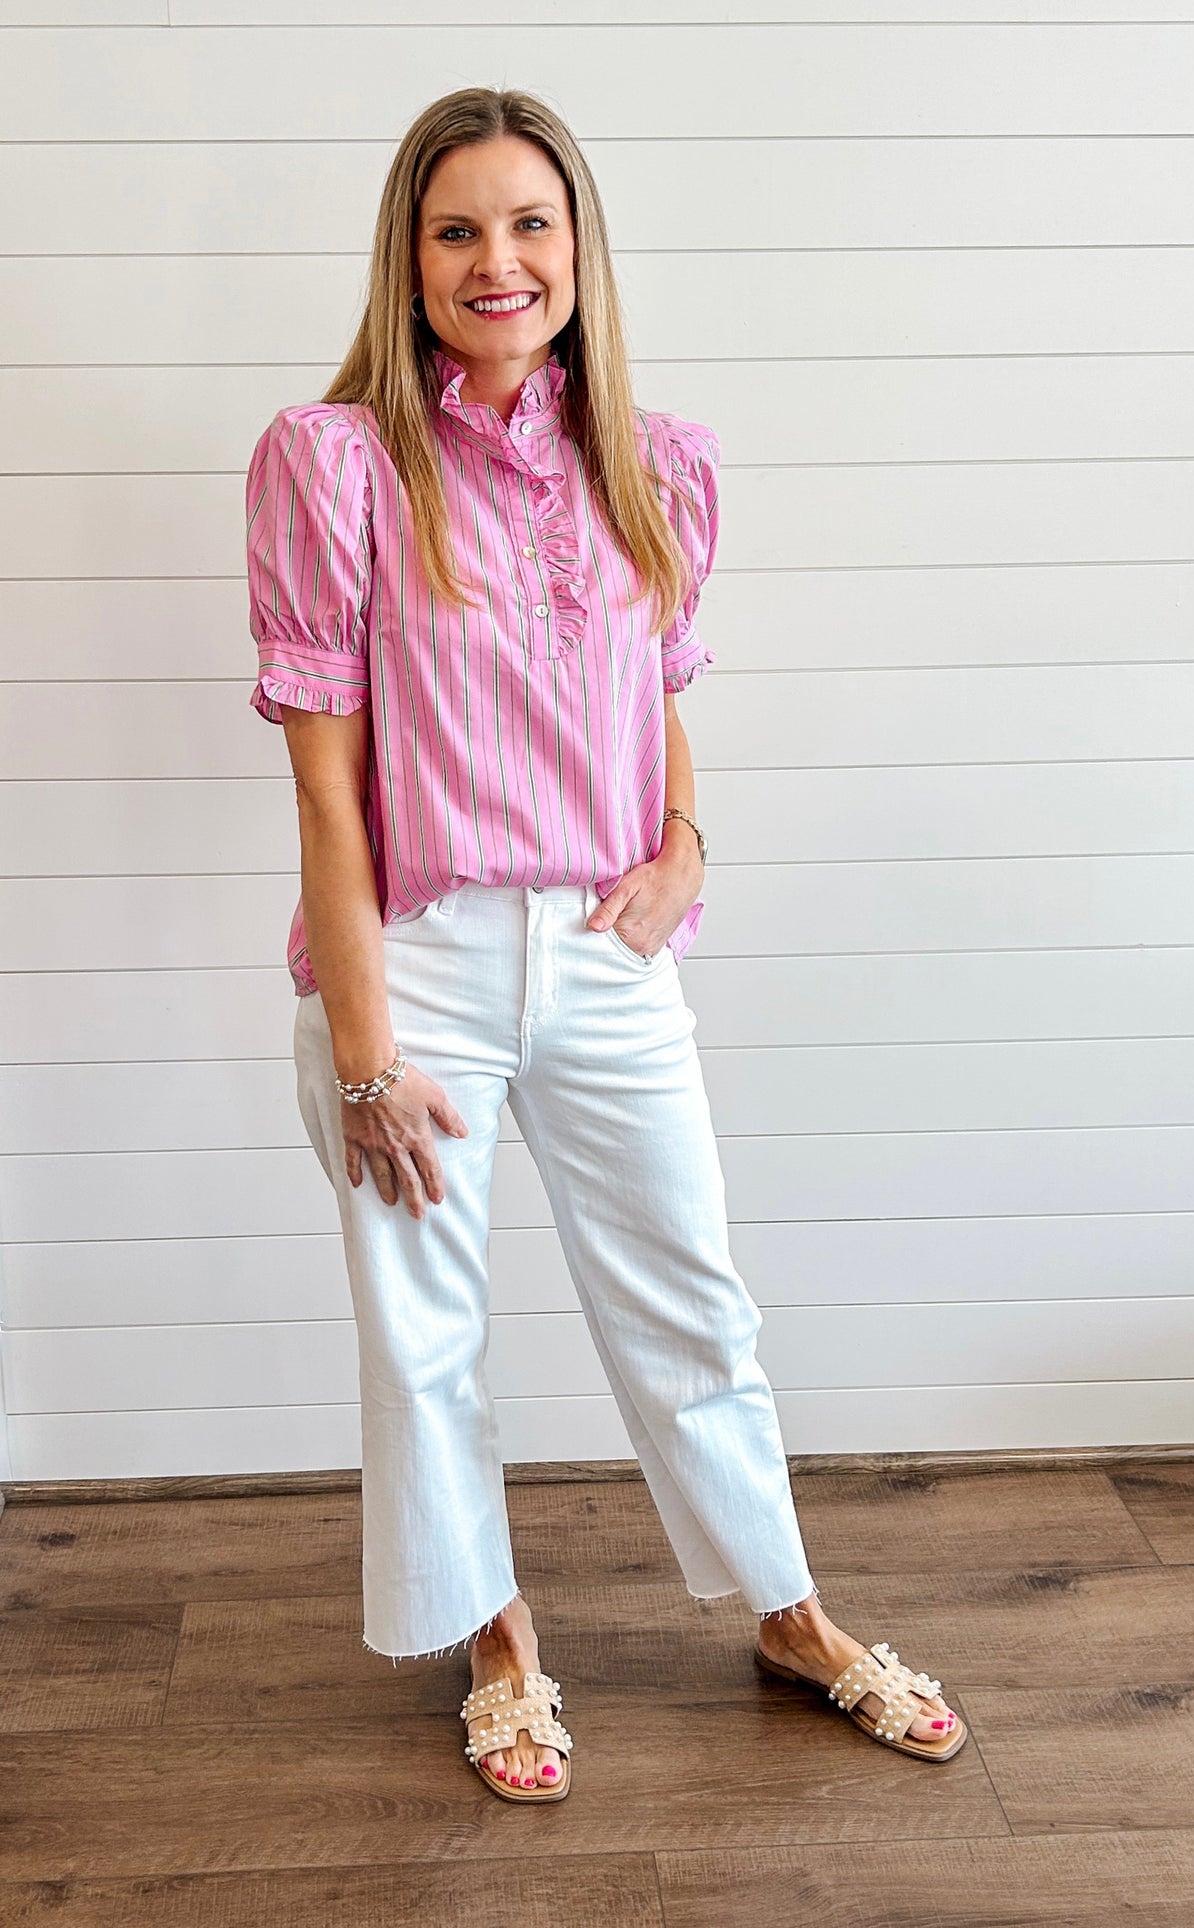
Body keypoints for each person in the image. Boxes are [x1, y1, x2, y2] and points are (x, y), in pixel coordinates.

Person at [244, 85, 964, 1803]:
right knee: (427, 1335)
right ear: (408, 262)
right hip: (411, 964)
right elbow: (332, 803)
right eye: (457, 229)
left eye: (529, 223)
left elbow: (651, 710)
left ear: (578, 248)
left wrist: (687, 844)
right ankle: (497, 1642)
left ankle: (788, 1614)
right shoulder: (334, 466)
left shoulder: (654, 464)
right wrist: (362, 1052)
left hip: (606, 954)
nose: (499, 260)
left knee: (691, 1300)